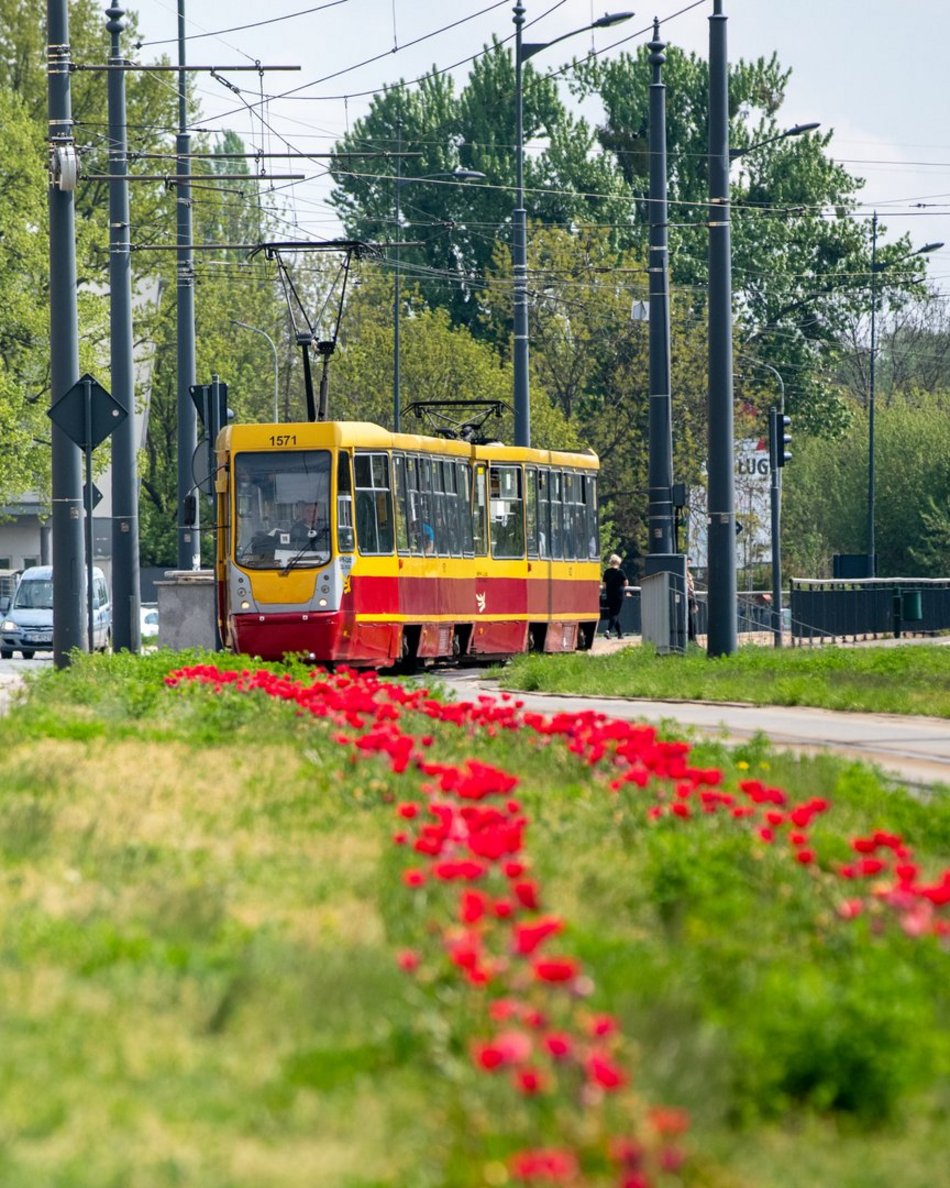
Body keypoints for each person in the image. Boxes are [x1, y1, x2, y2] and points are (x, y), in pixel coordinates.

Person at [602, 553, 628, 640]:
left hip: (610, 594)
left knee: (614, 614)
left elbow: (604, 585)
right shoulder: (620, 572)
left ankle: (620, 634)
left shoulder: (607, 572)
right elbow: (626, 583)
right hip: (619, 595)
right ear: (618, 562)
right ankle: (608, 631)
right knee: (615, 613)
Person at [687, 559, 699, 642]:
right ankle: (691, 638)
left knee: (691, 619)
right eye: (687, 563)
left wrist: (695, 602)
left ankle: (693, 638)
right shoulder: (685, 574)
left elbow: (692, 589)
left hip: (690, 598)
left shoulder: (689, 574)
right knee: (689, 619)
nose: (688, 565)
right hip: (687, 597)